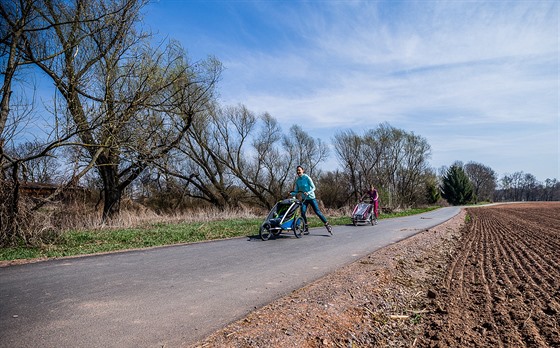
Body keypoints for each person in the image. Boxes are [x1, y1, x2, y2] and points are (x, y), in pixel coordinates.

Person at [290, 165, 332, 235]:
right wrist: (292, 193)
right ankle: (306, 228)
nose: (298, 172)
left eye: (299, 170)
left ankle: (327, 224)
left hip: (311, 198)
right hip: (304, 199)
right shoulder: (297, 180)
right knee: (302, 212)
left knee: (317, 212)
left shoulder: (307, 178)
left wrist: (308, 192)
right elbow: (296, 191)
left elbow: (314, 187)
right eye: (297, 170)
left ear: (303, 170)